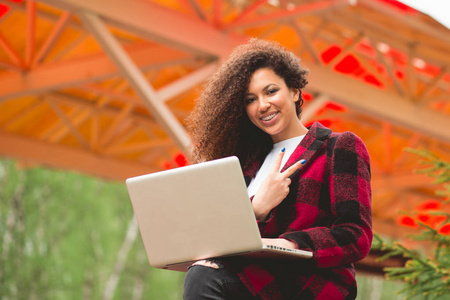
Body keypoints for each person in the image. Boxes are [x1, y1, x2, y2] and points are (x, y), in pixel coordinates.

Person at [183, 38, 372, 300]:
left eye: (271, 92)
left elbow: (355, 236)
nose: (262, 105)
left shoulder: (338, 147)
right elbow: (219, 238)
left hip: (311, 285)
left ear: (294, 91)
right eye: (250, 99)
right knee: (201, 272)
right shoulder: (243, 164)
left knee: (205, 278)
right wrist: (256, 209)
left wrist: (291, 243)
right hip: (254, 279)